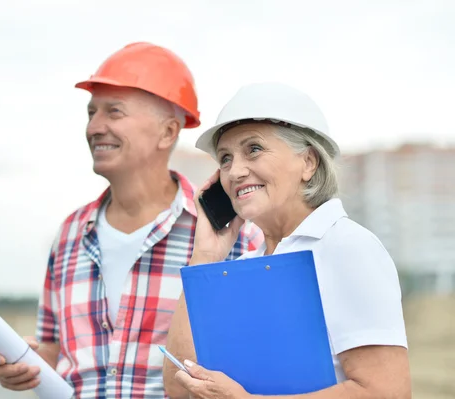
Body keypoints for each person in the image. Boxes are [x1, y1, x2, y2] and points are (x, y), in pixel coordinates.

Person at [0, 42, 263, 399]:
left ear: (168, 132)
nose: (95, 127)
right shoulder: (71, 233)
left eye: (114, 112)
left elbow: (253, 363)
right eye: (91, 113)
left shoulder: (231, 236)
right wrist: (27, 364)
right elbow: (58, 352)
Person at [163, 82, 411, 399]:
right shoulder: (239, 266)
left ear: (308, 162)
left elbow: (388, 392)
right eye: (225, 158)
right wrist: (205, 257)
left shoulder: (346, 247)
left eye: (253, 149)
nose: (235, 171)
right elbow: (179, 389)